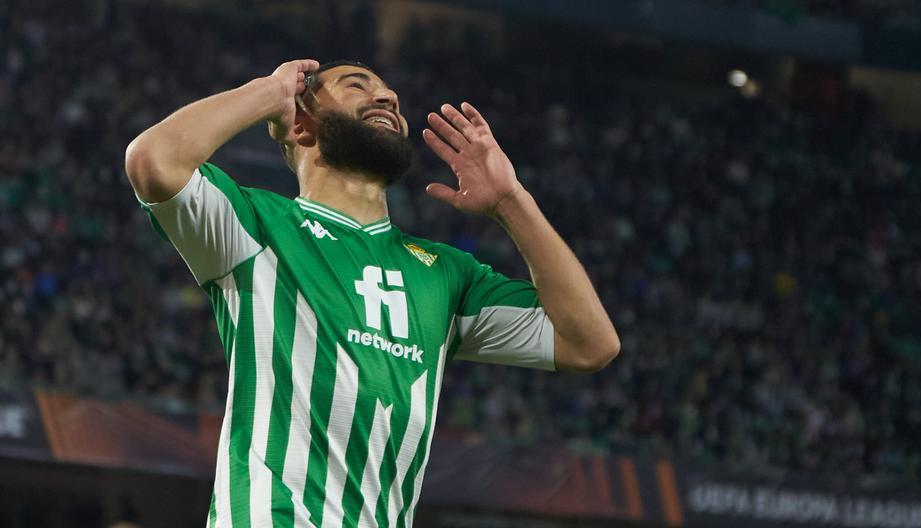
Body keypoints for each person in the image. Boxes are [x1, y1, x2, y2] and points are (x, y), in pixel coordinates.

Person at [124, 58, 620, 528]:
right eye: (357, 85)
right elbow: (153, 160)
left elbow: (589, 343)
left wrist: (512, 203)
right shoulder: (255, 228)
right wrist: (270, 92)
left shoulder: (446, 273)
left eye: (390, 95)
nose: (386, 96)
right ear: (302, 125)